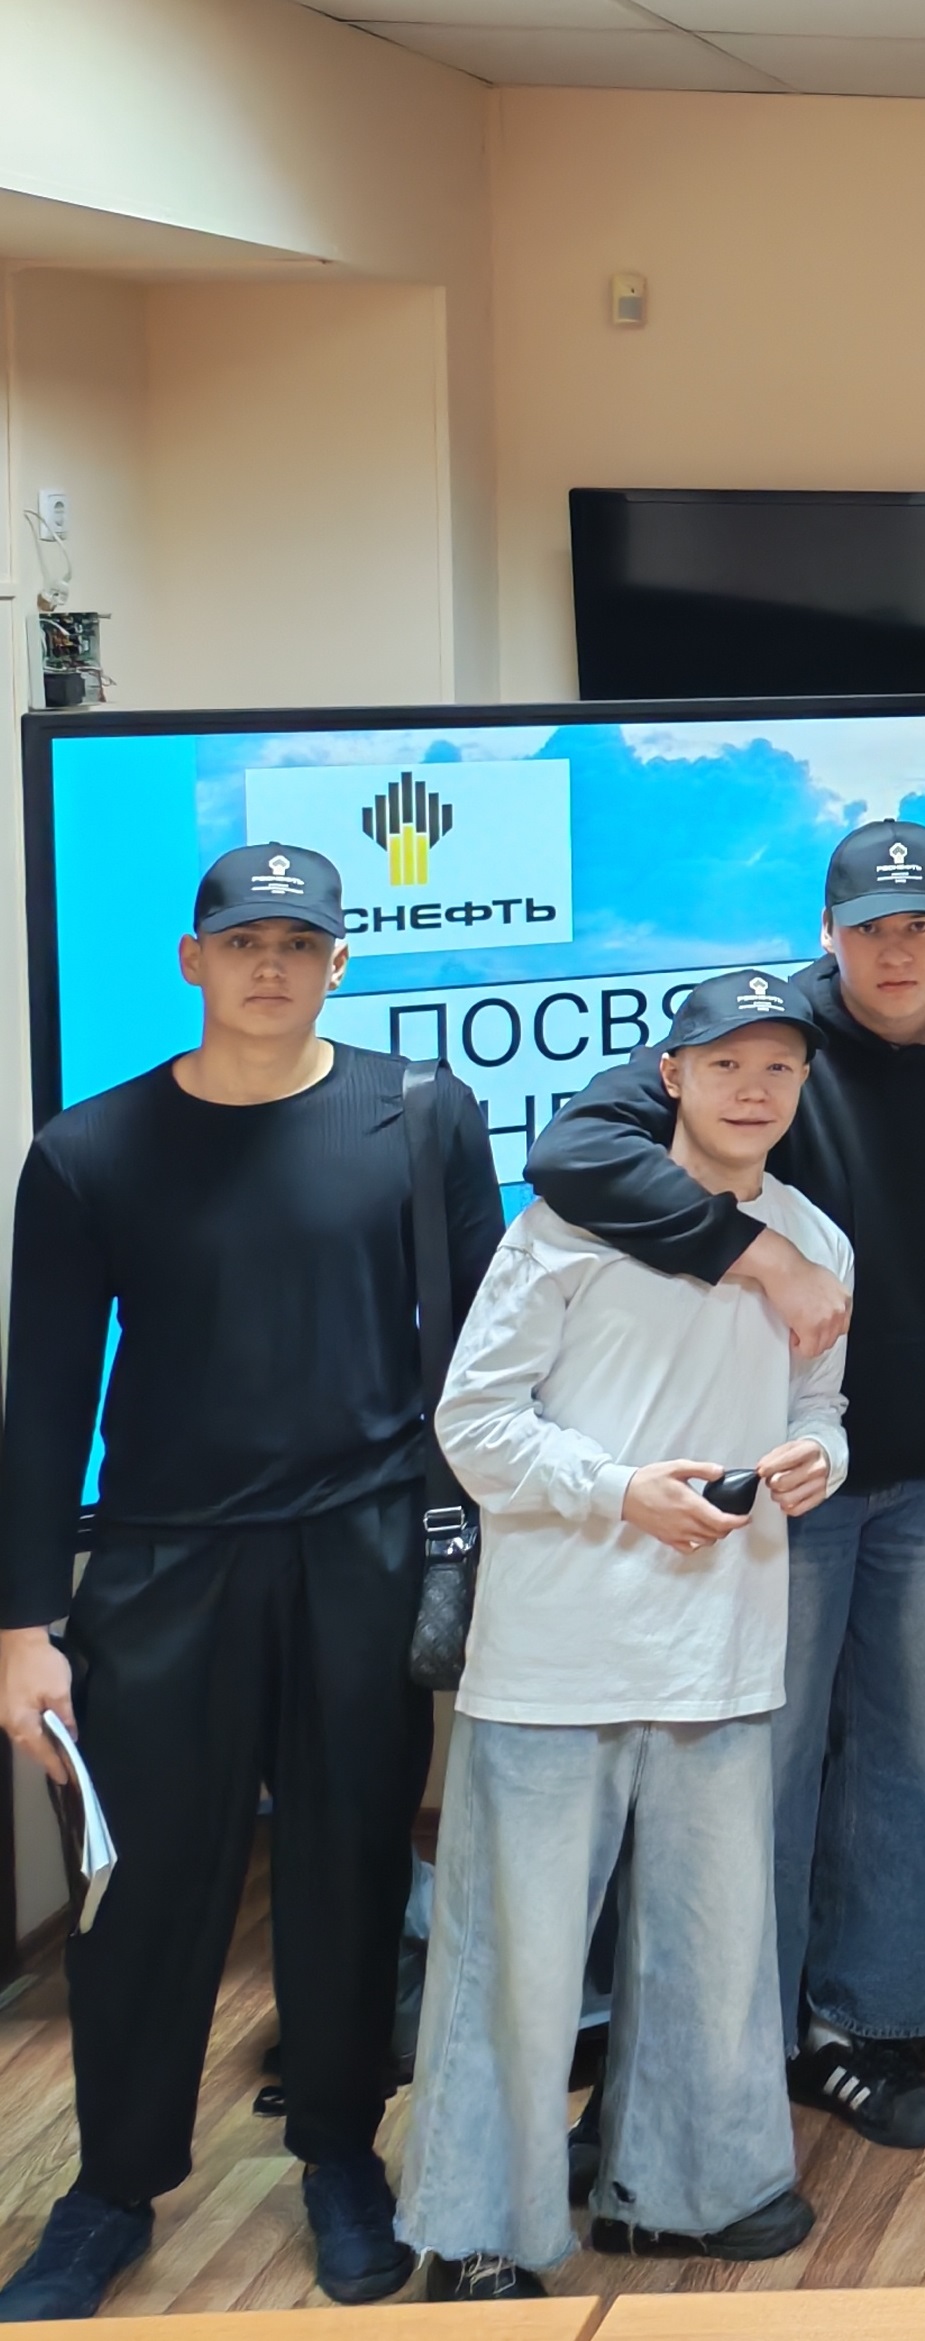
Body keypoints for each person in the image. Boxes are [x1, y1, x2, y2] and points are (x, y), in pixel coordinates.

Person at [0, 846, 503, 2320]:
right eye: (242, 942)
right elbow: (42, 1401)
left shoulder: (422, 1116)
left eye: (298, 942)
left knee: (350, 1867)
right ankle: (110, 2188)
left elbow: (492, 1357)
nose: (269, 965)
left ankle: (341, 2155)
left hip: (363, 1544)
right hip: (162, 1559)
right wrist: (23, 1626)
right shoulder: (89, 1150)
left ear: (340, 961)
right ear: (193, 959)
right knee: (140, 1885)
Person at [521, 821, 925, 2155]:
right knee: (748, 1771)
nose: (896, 949)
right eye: (869, 926)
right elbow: (573, 1153)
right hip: (781, 1476)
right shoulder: (769, 1042)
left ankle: (869, 2029)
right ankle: (723, 2038)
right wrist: (756, 1255)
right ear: (828, 932)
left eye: (920, 925)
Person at [403, 971, 853, 2301]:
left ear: (804, 1085)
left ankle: (683, 2192)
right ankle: (475, 2227)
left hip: (723, 1642)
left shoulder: (818, 1240)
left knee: (714, 1945)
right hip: (558, 1649)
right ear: (671, 1076)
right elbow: (473, 1422)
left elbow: (823, 1405)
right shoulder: (565, 1225)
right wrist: (617, 1491)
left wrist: (818, 1456)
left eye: (778, 1068)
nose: (752, 1089)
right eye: (726, 1065)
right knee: (516, 1954)